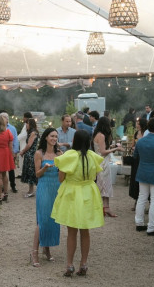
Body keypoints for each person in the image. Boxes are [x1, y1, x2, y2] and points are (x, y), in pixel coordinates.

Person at [51, 130, 104, 277]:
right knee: (85, 231)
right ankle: (84, 263)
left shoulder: (70, 156)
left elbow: (61, 178)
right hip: (88, 192)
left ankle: (69, 264)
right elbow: (94, 176)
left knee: (72, 232)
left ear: (75, 140)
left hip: (73, 193)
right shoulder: (92, 156)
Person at [29, 127, 62, 267]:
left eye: (56, 136)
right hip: (44, 187)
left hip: (56, 187)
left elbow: (63, 172)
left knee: (52, 219)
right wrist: (45, 168)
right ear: (46, 137)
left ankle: (46, 249)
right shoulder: (39, 153)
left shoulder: (59, 153)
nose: (54, 139)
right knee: (42, 220)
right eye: (52, 136)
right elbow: (37, 174)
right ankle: (34, 252)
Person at [92, 117, 122, 217]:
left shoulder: (98, 134)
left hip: (101, 162)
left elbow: (103, 148)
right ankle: (103, 208)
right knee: (103, 186)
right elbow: (103, 152)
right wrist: (116, 149)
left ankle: (106, 207)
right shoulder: (101, 135)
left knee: (105, 185)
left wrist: (113, 146)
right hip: (102, 163)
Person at [0, 112, 19, 194]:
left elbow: (15, 140)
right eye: (2, 118)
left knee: (11, 170)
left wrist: (15, 151)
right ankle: (2, 187)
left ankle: (13, 185)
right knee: (1, 170)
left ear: (8, 119)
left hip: (10, 152)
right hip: (1, 152)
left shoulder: (12, 128)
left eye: (5, 118)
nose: (4, 119)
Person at [129, 117, 148, 204]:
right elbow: (133, 144)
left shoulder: (147, 133)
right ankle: (136, 199)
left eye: (138, 124)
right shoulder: (137, 133)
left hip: (144, 158)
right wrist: (132, 147)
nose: (136, 125)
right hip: (136, 158)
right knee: (135, 178)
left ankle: (147, 200)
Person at [19, 118, 39, 198]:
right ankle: (30, 190)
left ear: (30, 124)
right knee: (30, 172)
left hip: (31, 154)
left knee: (31, 173)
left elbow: (29, 145)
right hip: (30, 154)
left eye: (27, 124)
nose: (26, 125)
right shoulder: (31, 132)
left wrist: (23, 151)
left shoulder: (33, 133)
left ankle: (31, 191)